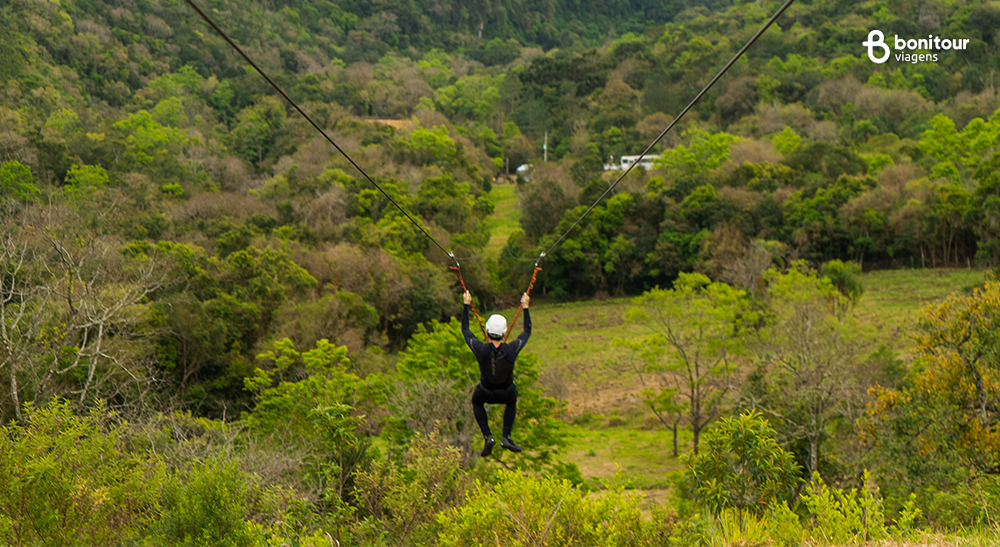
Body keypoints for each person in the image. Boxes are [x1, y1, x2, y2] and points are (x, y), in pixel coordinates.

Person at [462, 290, 531, 457]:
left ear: (486, 331)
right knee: (512, 399)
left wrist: (466, 304)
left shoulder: (480, 349)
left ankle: (488, 436)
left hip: (486, 392)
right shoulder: (512, 349)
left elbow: (465, 329)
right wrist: (526, 307)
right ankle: (506, 436)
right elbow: (527, 331)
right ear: (505, 333)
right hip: (507, 393)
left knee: (476, 401)